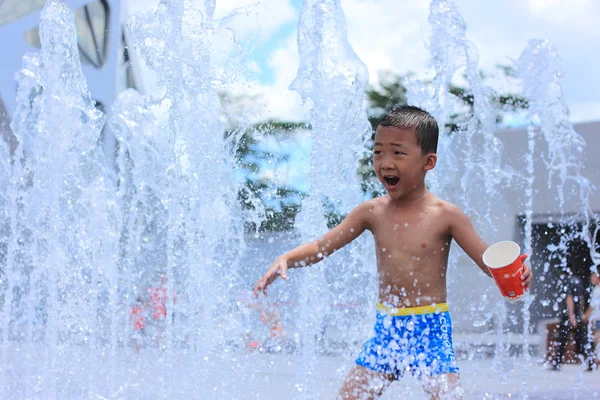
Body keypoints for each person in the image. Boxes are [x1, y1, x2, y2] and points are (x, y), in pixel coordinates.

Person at [253, 105, 533, 400]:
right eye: (378, 152)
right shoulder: (371, 212)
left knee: (448, 396)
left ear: (429, 161)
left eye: (398, 153)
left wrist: (517, 271)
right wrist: (286, 258)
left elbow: (488, 261)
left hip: (430, 325)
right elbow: (322, 247)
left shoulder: (446, 216)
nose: (385, 163)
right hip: (387, 327)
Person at [550, 273, 594, 371]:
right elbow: (581, 298)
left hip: (569, 317)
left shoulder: (566, 281)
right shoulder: (578, 281)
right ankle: (591, 363)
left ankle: (556, 363)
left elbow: (569, 299)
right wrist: (580, 314)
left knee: (562, 340)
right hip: (578, 315)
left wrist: (571, 317)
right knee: (582, 340)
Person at [584, 270, 600, 366]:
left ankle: (597, 358)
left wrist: (586, 315)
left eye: (592, 277)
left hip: (598, 318)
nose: (591, 279)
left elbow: (593, 305)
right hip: (597, 317)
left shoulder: (597, 289)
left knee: (596, 338)